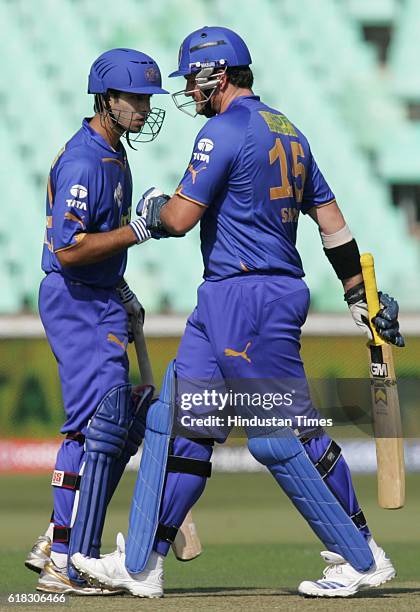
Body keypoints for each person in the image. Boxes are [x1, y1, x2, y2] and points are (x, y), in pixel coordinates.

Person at [72, 27, 404, 599]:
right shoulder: (289, 130)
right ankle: (143, 563)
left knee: (281, 435)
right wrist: (357, 291)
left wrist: (152, 208)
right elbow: (330, 220)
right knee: (177, 423)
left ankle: (359, 554)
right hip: (228, 296)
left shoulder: (221, 130)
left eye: (192, 82)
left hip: (249, 299)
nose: (187, 93)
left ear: (215, 76)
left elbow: (178, 220)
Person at [32, 47, 168, 595]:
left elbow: (100, 244)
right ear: (106, 100)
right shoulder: (87, 159)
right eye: (135, 97)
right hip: (76, 296)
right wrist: (141, 230)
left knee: (121, 424)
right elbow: (68, 248)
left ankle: (57, 534)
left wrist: (124, 288)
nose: (143, 107)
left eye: (146, 98)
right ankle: (63, 559)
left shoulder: (115, 153)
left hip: (100, 294)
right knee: (96, 425)